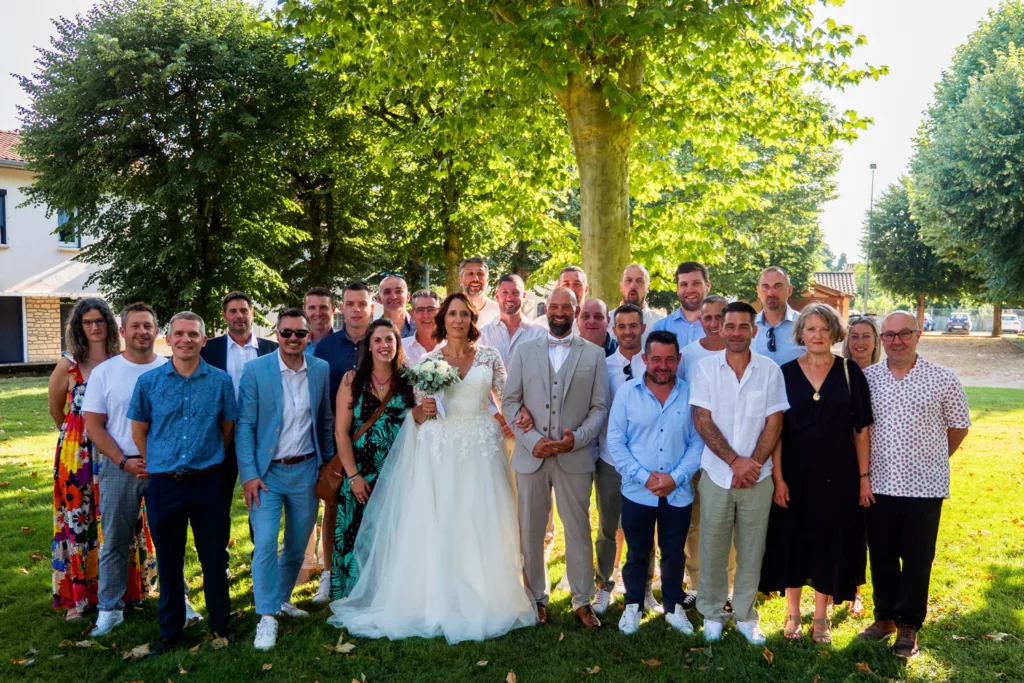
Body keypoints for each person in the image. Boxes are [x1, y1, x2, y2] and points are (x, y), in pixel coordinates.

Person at [328, 293, 536, 643]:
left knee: (482, 519)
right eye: (452, 314)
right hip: (443, 449)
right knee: (445, 520)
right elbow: (421, 412)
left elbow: (506, 398)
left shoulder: (489, 356)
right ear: (444, 319)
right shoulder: (429, 360)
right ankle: (440, 596)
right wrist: (423, 410)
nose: (458, 320)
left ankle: (486, 595)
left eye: (464, 315)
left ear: (472, 319)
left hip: (481, 448)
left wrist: (520, 415)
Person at [758, 304, 873, 644]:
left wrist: (864, 478)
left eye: (824, 329)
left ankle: (820, 618)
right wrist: (778, 478)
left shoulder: (851, 372)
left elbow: (861, 430)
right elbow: (775, 430)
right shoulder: (785, 373)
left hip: (839, 474)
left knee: (829, 541)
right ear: (801, 334)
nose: (818, 335)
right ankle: (793, 614)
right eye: (811, 329)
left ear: (834, 333)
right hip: (794, 472)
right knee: (794, 540)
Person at [858, 311, 970, 659]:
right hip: (879, 484)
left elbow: (959, 427)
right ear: (881, 339)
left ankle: (908, 626)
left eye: (903, 333)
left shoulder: (943, 378)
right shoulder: (868, 379)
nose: (896, 341)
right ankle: (886, 617)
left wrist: (932, 459)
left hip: (925, 486)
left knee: (918, 559)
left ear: (918, 335)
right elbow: (860, 429)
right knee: (882, 557)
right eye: (888, 335)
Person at [128, 312, 236, 654]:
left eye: (193, 334)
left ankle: (221, 624)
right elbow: (140, 430)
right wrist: (161, 461)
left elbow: (227, 427)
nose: (186, 339)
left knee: (214, 557)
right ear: (169, 339)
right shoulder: (149, 383)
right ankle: (171, 630)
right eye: (179, 334)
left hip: (208, 483)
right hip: (165, 486)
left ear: (204, 340)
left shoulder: (220, 381)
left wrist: (207, 458)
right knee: (170, 560)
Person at [504, 287, 610, 631]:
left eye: (567, 307)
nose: (561, 312)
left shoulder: (594, 355)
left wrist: (576, 438)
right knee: (531, 530)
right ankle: (536, 598)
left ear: (576, 312)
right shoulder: (523, 351)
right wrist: (532, 440)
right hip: (531, 457)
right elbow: (509, 402)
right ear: (546, 310)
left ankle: (582, 601)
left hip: (574, 457)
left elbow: (599, 408)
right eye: (555, 306)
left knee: (578, 530)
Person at [235, 309, 335, 651]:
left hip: (307, 470)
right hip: (267, 475)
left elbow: (325, 420)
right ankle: (266, 616)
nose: (293, 339)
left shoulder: (319, 369)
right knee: (264, 543)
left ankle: (279, 599)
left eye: (300, 334)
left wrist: (327, 463)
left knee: (295, 545)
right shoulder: (255, 370)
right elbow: (245, 426)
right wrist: (249, 474)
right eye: (287, 333)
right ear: (276, 334)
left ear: (309, 337)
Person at [689, 301, 788, 645]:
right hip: (717, 474)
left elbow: (775, 421)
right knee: (713, 548)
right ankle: (712, 612)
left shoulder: (770, 370)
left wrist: (753, 465)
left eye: (742, 326)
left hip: (757, 478)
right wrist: (734, 462)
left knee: (751, 549)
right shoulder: (704, 369)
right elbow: (701, 419)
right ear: (721, 328)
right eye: (728, 326)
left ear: (753, 330)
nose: (734, 332)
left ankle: (745, 613)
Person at [81, 303, 171, 637]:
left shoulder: (170, 368)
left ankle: (180, 600)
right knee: (115, 542)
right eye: (134, 326)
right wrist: (123, 461)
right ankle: (109, 609)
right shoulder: (107, 372)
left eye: (148, 326)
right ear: (122, 332)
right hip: (120, 465)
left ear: (156, 330)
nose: (141, 332)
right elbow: (94, 425)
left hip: (164, 469)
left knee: (170, 540)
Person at [607, 330, 704, 635]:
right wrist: (645, 477)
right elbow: (616, 442)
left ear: (679, 360)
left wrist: (675, 478)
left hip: (678, 492)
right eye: (657, 359)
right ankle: (633, 605)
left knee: (674, 553)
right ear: (645, 359)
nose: (663, 365)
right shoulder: (627, 394)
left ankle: (674, 607)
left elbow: (698, 442)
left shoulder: (691, 395)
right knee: (637, 553)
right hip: (638, 491)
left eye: (670, 359)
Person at [49, 298, 123, 620]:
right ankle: (77, 598)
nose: (94, 327)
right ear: (79, 327)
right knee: (77, 521)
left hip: (115, 445)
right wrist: (75, 437)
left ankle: (122, 591)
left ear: (108, 324)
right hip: (76, 454)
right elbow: (56, 410)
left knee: (118, 518)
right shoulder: (68, 365)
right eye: (87, 322)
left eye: (99, 321)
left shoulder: (121, 361)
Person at [329, 319, 414, 600]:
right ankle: (354, 593)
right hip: (360, 472)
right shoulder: (352, 381)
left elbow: (419, 422)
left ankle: (388, 594)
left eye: (389, 340)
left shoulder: (409, 380)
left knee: (392, 533)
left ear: (397, 344)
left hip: (397, 471)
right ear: (368, 346)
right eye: (377, 340)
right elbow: (341, 432)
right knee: (356, 533)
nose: (384, 346)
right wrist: (353, 477)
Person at [200, 291, 277, 570]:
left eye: (244, 310)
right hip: (221, 437)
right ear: (224, 316)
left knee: (262, 503)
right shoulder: (209, 350)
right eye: (233, 311)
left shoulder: (271, 349)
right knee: (218, 503)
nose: (239, 316)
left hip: (261, 440)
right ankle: (218, 561)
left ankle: (262, 562)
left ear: (252, 314)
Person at [592, 304, 658, 617]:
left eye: (634, 325)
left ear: (642, 328)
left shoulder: (656, 367)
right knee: (607, 528)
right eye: (622, 326)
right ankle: (603, 585)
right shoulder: (603, 367)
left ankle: (644, 588)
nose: (628, 331)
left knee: (646, 528)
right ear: (613, 330)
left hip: (648, 465)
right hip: (610, 461)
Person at [312, 282, 374, 603]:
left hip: (375, 440)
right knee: (333, 506)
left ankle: (367, 572)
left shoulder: (380, 340)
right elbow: (321, 400)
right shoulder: (325, 346)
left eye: (361, 303)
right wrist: (326, 447)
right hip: (338, 438)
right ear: (342, 308)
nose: (356, 309)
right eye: (350, 303)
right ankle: (329, 574)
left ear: (370, 307)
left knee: (371, 506)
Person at [678, 295, 734, 607]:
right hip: (697, 454)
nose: (714, 323)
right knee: (696, 522)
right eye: (708, 317)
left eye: (720, 317)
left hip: (733, 455)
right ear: (700, 321)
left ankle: (727, 587)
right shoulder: (689, 355)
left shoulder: (741, 353)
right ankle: (697, 584)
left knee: (729, 522)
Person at [840, 314, 882, 616]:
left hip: (881, 463)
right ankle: (842, 586)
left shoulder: (883, 374)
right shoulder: (840, 373)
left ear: (876, 341)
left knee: (869, 531)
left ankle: (857, 591)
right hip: (845, 461)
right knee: (847, 527)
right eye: (854, 336)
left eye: (866, 336)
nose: (859, 342)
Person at [480, 274, 545, 366]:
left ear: (524, 295)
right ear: (497, 296)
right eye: (505, 292)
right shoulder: (483, 335)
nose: (510, 298)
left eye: (515, 293)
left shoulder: (540, 334)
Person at [752, 267, 805, 367]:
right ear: (758, 291)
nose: (771, 292)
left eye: (778, 286)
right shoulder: (746, 327)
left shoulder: (805, 325)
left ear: (789, 290)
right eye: (765, 287)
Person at [653, 262, 711, 348]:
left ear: (707, 286)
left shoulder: (720, 326)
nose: (690, 290)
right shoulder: (661, 328)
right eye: (684, 285)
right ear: (677, 289)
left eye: (696, 283)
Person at [610, 264, 663, 347]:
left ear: (648, 287)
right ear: (620, 286)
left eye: (639, 281)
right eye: (628, 280)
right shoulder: (606, 322)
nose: (633, 286)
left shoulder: (660, 324)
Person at [535, 266, 589, 332]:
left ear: (586, 289)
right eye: (566, 284)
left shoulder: (596, 325)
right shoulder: (540, 326)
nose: (571, 290)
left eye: (577, 284)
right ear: (557, 288)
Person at [402, 289, 443, 366]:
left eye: (431, 309)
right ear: (412, 315)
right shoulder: (402, 348)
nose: (426, 315)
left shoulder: (451, 345)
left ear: (440, 313)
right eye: (420, 310)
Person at [458, 256, 500, 327]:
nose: (475, 278)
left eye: (480, 274)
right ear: (460, 280)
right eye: (470, 273)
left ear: (487, 280)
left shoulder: (499, 312)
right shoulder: (447, 310)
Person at [303, 287, 337, 352]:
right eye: (312, 308)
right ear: (304, 311)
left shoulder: (346, 346)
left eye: (323, 307)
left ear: (333, 310)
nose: (318, 313)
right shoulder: (295, 346)